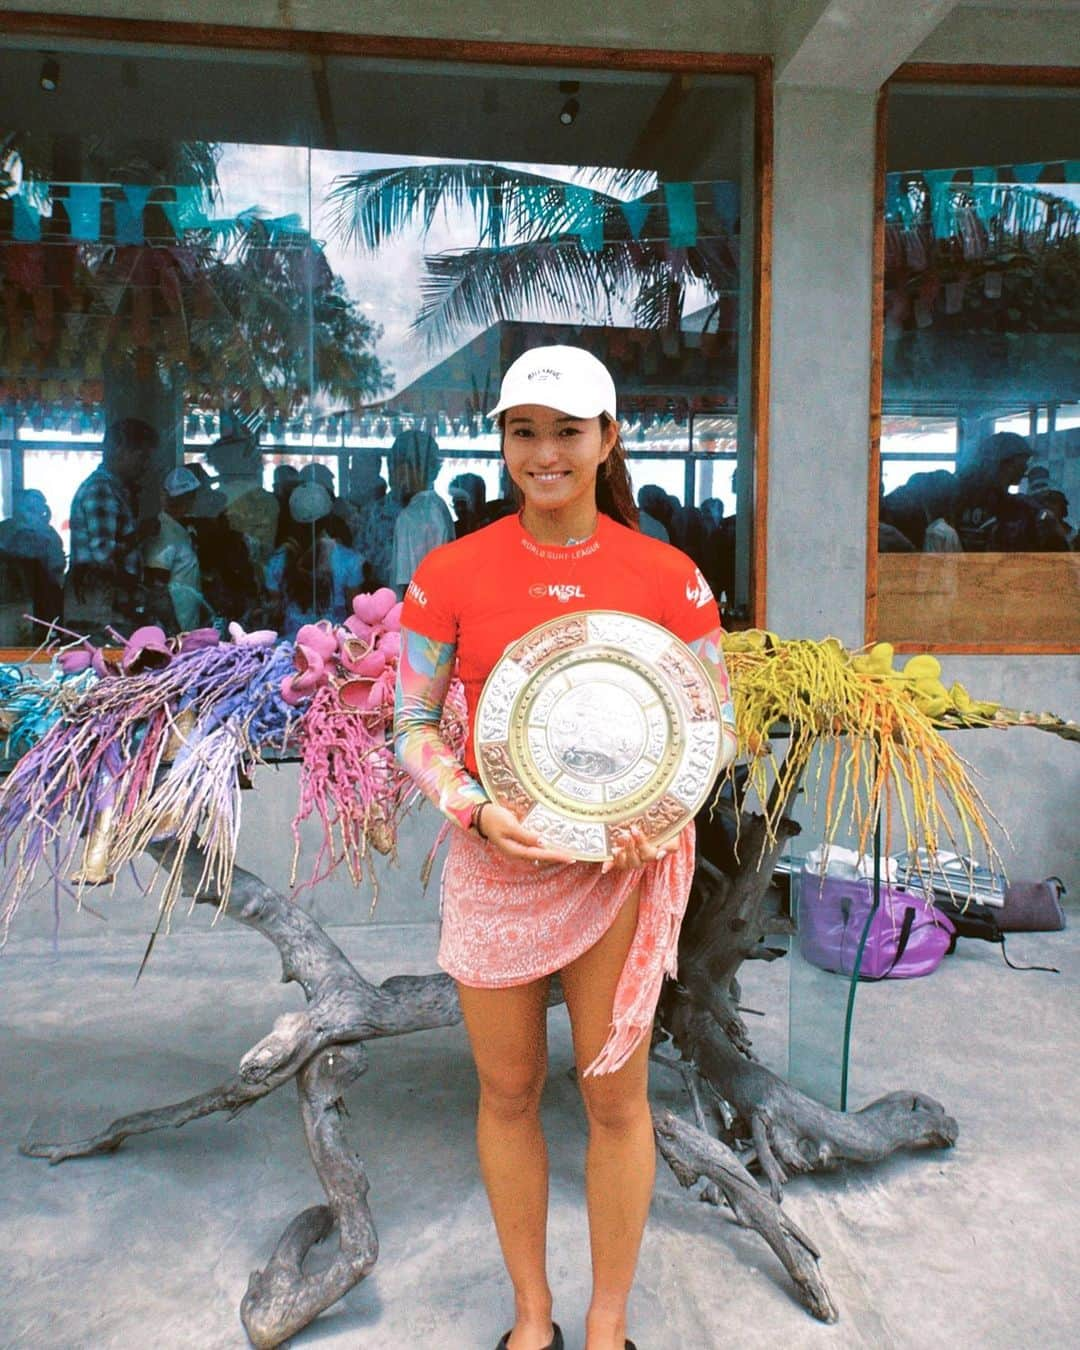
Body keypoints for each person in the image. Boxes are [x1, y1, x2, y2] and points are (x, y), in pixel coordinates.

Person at [393, 346, 738, 1350]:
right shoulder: (451, 571)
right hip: (498, 863)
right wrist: (469, 806)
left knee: (613, 1096)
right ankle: (532, 1319)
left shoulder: (667, 577)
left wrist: (662, 816)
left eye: (566, 431)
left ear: (607, 440)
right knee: (507, 1092)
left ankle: (607, 1323)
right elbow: (412, 722)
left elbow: (708, 725)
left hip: (616, 869)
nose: (544, 452)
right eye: (523, 431)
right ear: (503, 441)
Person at [65, 416, 157, 631]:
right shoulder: (101, 489)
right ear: (119, 449)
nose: (145, 466)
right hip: (101, 608)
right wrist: (141, 533)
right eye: (141, 457)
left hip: (107, 605)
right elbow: (104, 555)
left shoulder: (115, 489)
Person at [388, 428, 454, 596]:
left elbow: (408, 589)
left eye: (393, 465)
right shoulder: (438, 506)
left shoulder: (411, 517)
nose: (390, 475)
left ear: (406, 468)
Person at [141, 466, 207, 631]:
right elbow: (156, 588)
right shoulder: (162, 530)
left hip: (186, 625)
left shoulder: (182, 529)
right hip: (174, 630)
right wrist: (173, 628)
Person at [449, 471, 487, 537]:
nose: (459, 509)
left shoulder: (490, 528)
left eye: (463, 504)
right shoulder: (453, 531)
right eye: (456, 504)